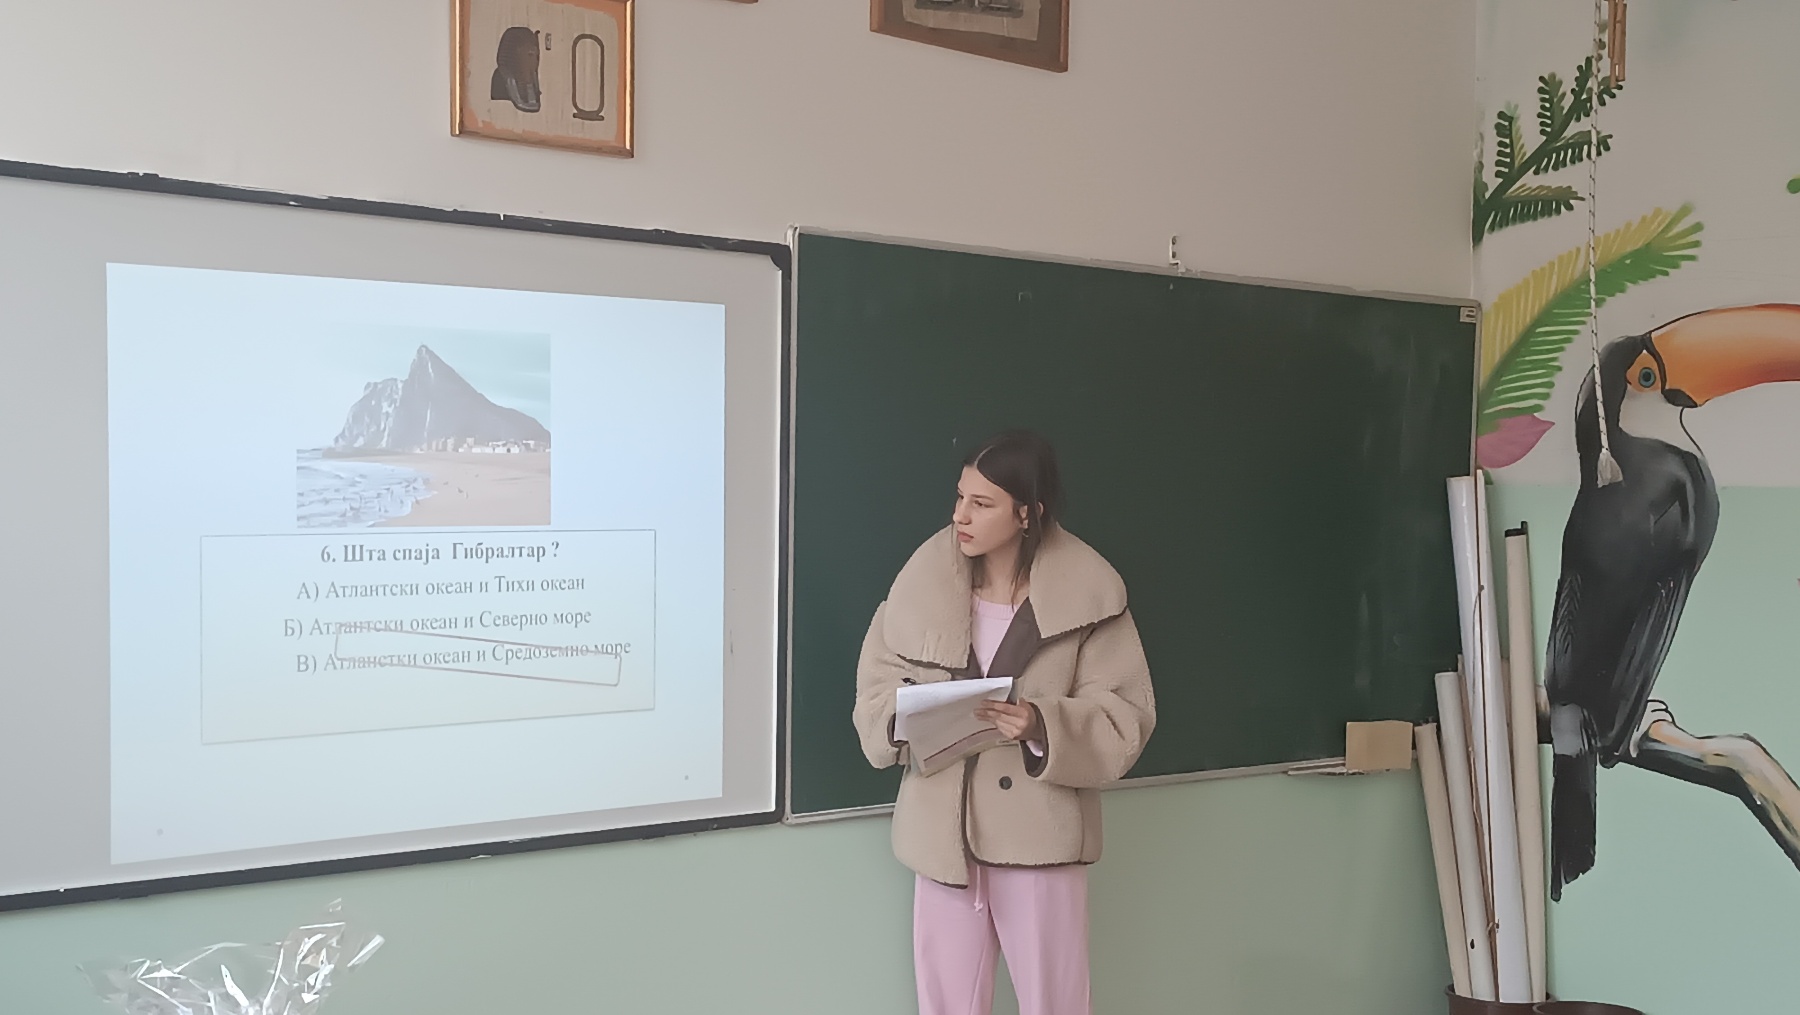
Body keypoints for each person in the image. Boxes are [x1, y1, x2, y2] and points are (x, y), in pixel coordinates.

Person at [852, 430, 1156, 1015]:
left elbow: (1125, 714)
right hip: (944, 839)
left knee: (1055, 1003)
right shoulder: (917, 589)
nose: (960, 516)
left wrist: (1041, 723)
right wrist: (904, 718)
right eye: (959, 497)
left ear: (1027, 513)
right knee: (947, 1005)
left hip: (1041, 838)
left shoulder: (1090, 599)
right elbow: (874, 694)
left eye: (982, 503)